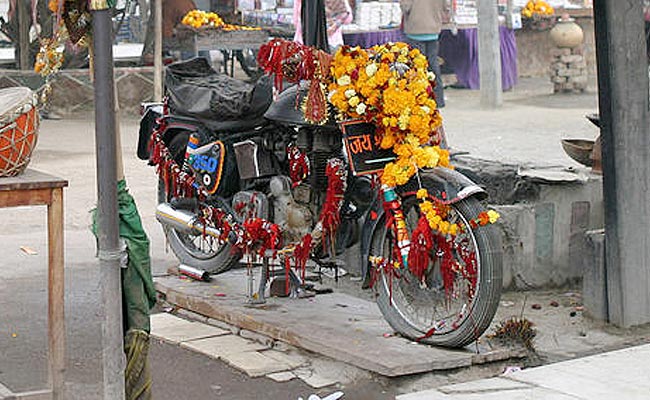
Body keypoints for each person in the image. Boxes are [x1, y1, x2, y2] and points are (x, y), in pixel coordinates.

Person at [400, 0, 446, 108]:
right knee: (433, 66)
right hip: (434, 30)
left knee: (417, 68)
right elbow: (446, 6)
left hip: (415, 30)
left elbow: (406, 6)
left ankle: (419, 99)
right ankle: (438, 99)